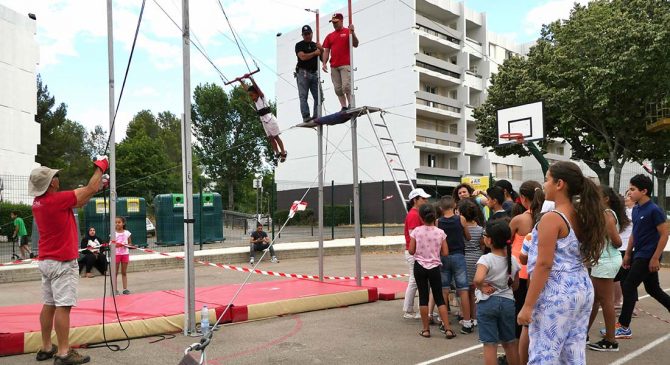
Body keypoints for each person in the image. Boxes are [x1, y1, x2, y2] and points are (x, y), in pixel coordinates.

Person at [517, 161, 606, 365]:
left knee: (544, 353)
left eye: (547, 179)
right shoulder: (581, 215)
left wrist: (528, 305)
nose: (544, 184)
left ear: (560, 184)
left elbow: (544, 264)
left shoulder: (552, 218)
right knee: (572, 353)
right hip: (581, 289)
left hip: (556, 292)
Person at [30, 156, 107, 364]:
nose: (58, 177)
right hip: (62, 262)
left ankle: (46, 347)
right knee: (63, 306)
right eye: (56, 176)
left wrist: (95, 188)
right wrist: (100, 168)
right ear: (51, 183)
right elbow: (87, 189)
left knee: (49, 304)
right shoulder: (56, 199)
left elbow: (81, 199)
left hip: (46, 260)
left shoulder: (38, 202)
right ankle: (64, 353)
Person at [614, 174, 670, 339]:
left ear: (644, 191)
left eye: (633, 189)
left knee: (629, 285)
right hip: (638, 254)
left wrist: (655, 258)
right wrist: (628, 254)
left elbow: (664, 235)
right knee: (653, 289)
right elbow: (634, 234)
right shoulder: (636, 209)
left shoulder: (654, 210)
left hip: (648, 256)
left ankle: (624, 326)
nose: (629, 192)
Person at [473, 219, 521, 365]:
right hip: (507, 302)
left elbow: (477, 279)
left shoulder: (486, 259)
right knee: (510, 342)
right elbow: (516, 286)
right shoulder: (512, 260)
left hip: (487, 303)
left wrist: (482, 287)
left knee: (490, 344)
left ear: (490, 240)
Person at [586, 185, 628, 351]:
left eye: (597, 196)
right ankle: (583, 333)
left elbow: (617, 242)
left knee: (605, 301)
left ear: (606, 199)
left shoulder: (606, 215)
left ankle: (611, 341)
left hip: (606, 261)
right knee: (595, 300)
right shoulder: (605, 214)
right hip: (604, 260)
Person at [408, 203, 456, 339]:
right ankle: (447, 329)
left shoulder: (416, 231)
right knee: (439, 297)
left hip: (420, 267)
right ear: (435, 216)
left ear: (421, 217)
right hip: (434, 267)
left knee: (423, 297)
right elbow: (445, 252)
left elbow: (411, 251)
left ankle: (426, 329)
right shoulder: (440, 232)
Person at [508, 180, 543, 363]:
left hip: (520, 273)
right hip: (539, 273)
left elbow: (505, 240)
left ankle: (517, 357)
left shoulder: (521, 219)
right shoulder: (546, 217)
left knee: (519, 318)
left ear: (522, 198)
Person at [437, 196, 473, 334]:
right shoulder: (461, 219)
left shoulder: (438, 222)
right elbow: (468, 237)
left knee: (444, 289)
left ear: (441, 208)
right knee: (463, 289)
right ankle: (467, 322)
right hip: (459, 256)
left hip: (443, 257)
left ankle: (443, 321)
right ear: (454, 206)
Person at [239, 76, 287, 162]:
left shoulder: (261, 97)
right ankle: (276, 152)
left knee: (276, 137)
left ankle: (283, 152)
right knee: (270, 138)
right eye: (250, 96)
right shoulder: (255, 101)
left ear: (257, 93)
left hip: (270, 120)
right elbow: (248, 89)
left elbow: (256, 88)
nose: (251, 97)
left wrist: (251, 79)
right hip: (264, 121)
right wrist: (241, 82)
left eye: (252, 95)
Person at [402, 188, 431, 319]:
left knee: (416, 281)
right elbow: (413, 235)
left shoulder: (415, 213)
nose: (426, 200)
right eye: (423, 198)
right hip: (415, 252)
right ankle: (409, 310)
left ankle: (414, 309)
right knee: (415, 281)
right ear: (415, 200)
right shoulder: (414, 215)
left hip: (416, 252)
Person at [322, 13, 359, 111]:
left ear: (341, 21)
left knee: (346, 86)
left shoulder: (348, 32)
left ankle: (351, 104)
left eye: (336, 22)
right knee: (337, 89)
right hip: (334, 65)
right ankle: (343, 106)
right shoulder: (330, 36)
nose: (334, 24)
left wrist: (353, 33)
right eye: (333, 23)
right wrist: (324, 63)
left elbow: (356, 44)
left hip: (345, 64)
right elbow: (326, 50)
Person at [460, 199, 485, 329]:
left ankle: (467, 317)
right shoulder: (480, 229)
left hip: (464, 258)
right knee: (474, 291)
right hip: (477, 259)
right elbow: (482, 245)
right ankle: (475, 318)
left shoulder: (461, 228)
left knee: (465, 291)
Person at [295, 25, 323, 122]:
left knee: (319, 96)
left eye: (308, 34)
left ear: (312, 33)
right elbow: (302, 57)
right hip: (303, 72)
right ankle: (306, 116)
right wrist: (315, 53)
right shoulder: (299, 45)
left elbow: (323, 59)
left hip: (314, 73)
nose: (307, 36)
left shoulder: (316, 45)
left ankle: (316, 115)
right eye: (305, 34)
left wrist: (321, 50)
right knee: (303, 96)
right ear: (302, 35)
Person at [613, 192, 636, 312]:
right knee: (618, 279)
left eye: (629, 195)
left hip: (628, 249)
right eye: (626, 195)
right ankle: (617, 302)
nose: (627, 197)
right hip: (619, 249)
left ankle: (632, 308)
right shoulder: (622, 212)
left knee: (627, 280)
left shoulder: (634, 212)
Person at [114, 216, 132, 295]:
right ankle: (115, 289)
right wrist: (116, 245)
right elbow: (111, 244)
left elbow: (130, 243)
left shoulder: (127, 233)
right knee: (115, 272)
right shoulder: (113, 233)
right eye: (116, 222)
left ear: (123, 223)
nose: (117, 224)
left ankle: (125, 289)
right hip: (116, 254)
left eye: (119, 222)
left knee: (124, 272)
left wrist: (127, 245)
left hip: (125, 254)